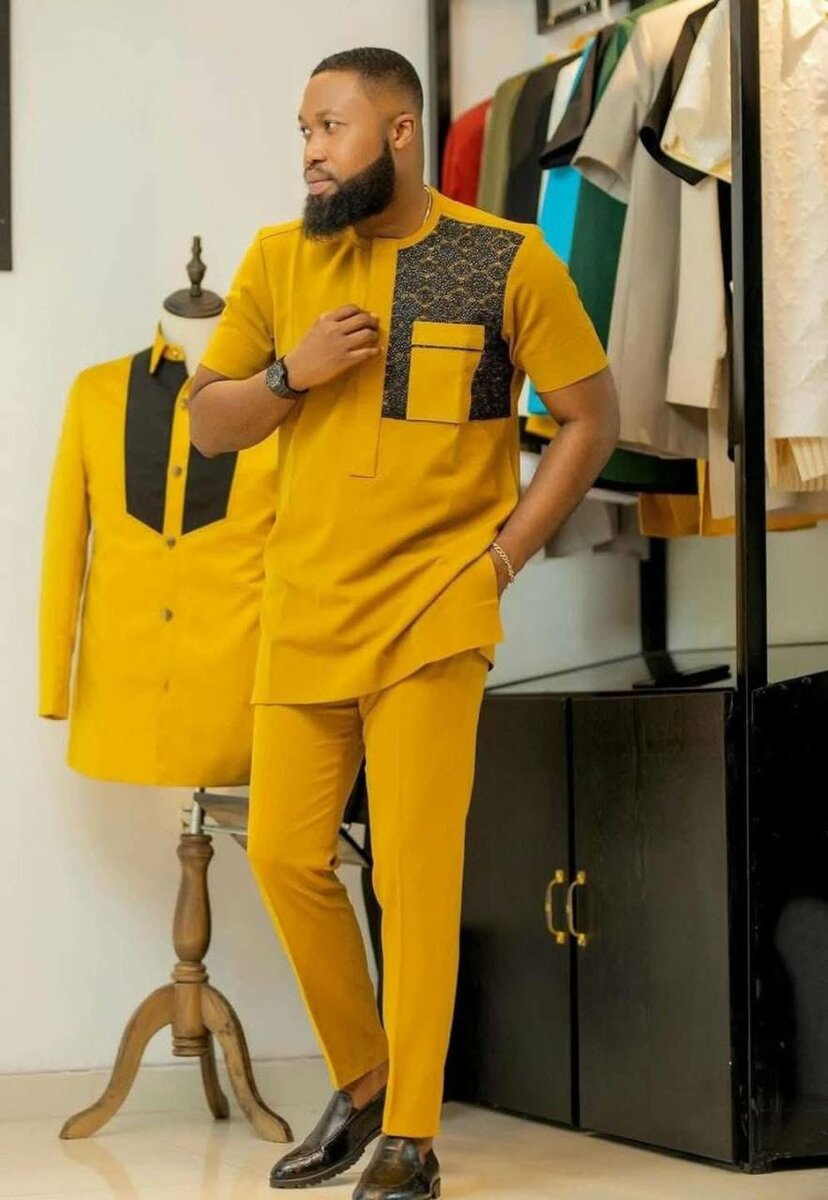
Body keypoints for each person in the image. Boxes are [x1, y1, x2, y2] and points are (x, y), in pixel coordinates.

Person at [189, 45, 619, 1200]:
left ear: (401, 132)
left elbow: (592, 417)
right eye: (302, 130)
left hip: (434, 609)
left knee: (416, 878)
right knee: (284, 855)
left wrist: (503, 557)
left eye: (330, 126)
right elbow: (210, 424)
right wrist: (291, 373)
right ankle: (368, 1081)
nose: (311, 150)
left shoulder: (505, 258)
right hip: (305, 608)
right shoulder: (280, 260)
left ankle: (413, 1138)